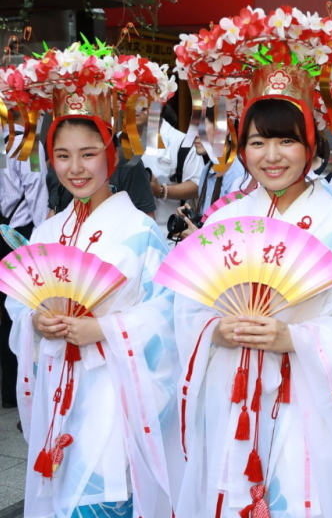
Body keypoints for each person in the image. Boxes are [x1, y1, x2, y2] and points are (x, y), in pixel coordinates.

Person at [172, 10, 332, 518]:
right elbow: (183, 306)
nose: (271, 155)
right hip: (232, 396)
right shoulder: (226, 220)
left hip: (308, 404)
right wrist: (215, 328)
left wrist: (293, 338)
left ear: (310, 144)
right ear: (241, 146)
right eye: (257, 141)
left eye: (286, 140)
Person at [7, 81, 179, 516]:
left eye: (88, 153)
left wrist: (102, 328)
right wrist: (33, 321)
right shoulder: (46, 234)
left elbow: (169, 318)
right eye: (62, 156)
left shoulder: (141, 233)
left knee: (106, 496)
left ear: (112, 154)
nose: (75, 168)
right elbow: (21, 303)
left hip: (113, 401)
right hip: (55, 396)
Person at [0, 109, 49, 411]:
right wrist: (44, 243)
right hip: (17, 236)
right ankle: (15, 388)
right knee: (18, 310)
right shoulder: (28, 143)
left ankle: (6, 389)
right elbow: (36, 192)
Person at [142, 104, 205, 237]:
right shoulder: (119, 140)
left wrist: (160, 190)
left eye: (143, 101)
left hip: (169, 234)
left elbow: (198, 184)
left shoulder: (183, 142)